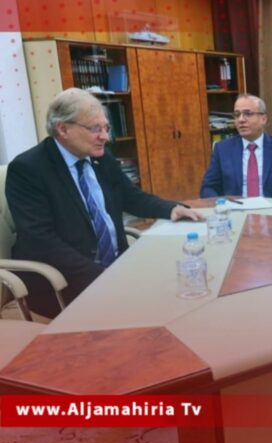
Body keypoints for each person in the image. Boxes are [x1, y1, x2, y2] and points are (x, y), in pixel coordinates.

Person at [6, 88, 204, 318]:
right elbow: (42, 240)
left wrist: (172, 209)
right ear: (63, 129)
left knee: (185, 287)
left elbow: (130, 197)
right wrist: (104, 277)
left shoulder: (100, 157)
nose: (105, 137)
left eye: (106, 128)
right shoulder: (28, 169)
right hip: (65, 281)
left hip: (116, 270)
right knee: (157, 309)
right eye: (95, 129)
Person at [200, 94, 272, 198]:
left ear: (263, 119)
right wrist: (221, 203)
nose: (241, 119)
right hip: (235, 207)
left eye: (248, 114)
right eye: (237, 115)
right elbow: (208, 188)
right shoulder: (222, 149)